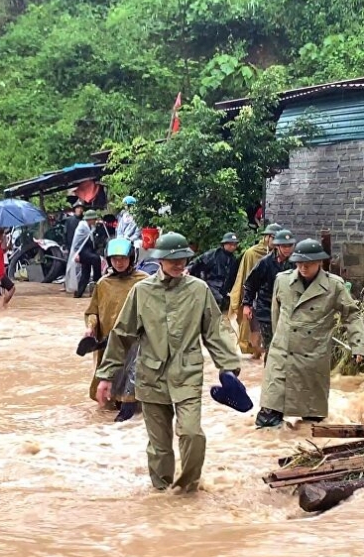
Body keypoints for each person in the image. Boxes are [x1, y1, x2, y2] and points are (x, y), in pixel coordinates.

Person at [96, 232, 240, 493]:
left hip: (187, 374)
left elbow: (215, 332)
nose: (178, 264)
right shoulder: (142, 291)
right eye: (172, 259)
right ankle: (162, 494)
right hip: (151, 377)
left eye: (183, 259)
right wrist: (106, 376)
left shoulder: (199, 290)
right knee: (159, 447)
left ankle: (186, 490)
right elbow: (122, 335)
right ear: (160, 260)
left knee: (192, 434)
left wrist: (228, 369)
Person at [255, 239, 364, 428]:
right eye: (299, 263)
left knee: (312, 425)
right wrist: (277, 341)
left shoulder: (333, 286)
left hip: (313, 357)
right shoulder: (282, 280)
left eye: (308, 264)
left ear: (319, 263)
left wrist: (358, 345)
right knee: (268, 418)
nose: (303, 268)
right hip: (282, 355)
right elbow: (276, 313)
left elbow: (352, 315)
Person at [84, 237, 148, 422]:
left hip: (135, 341)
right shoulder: (103, 284)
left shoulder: (144, 281)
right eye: (115, 259)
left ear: (131, 258)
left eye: (123, 258)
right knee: (109, 392)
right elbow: (93, 311)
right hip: (109, 342)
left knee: (134, 386)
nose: (119, 263)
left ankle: (128, 423)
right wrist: (90, 327)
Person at [229, 223, 282, 359]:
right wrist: (246, 303)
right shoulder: (252, 254)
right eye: (272, 237)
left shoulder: (283, 256)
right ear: (266, 237)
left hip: (277, 300)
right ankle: (257, 352)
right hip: (258, 300)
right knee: (255, 330)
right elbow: (247, 280)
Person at [242, 230, 296, 361]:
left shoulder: (295, 263)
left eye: (290, 246)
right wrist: (247, 304)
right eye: (284, 246)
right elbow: (250, 284)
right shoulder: (265, 263)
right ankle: (270, 371)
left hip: (287, 308)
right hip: (266, 309)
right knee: (271, 346)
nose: (287, 249)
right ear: (277, 246)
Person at [187, 232, 240, 316]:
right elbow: (198, 261)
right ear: (224, 244)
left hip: (223, 289)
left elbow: (233, 277)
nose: (233, 247)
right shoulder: (213, 254)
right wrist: (188, 269)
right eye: (230, 244)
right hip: (210, 285)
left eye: (234, 245)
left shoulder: (233, 260)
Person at [72, 210, 102, 299]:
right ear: (90, 219)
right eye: (94, 219)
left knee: (86, 271)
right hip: (82, 250)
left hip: (88, 250)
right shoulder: (82, 226)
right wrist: (76, 253)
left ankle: (79, 292)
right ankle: (97, 280)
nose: (95, 221)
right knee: (96, 259)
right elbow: (76, 241)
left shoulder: (90, 227)